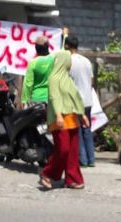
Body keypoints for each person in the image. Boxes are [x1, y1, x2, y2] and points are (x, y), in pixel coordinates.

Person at [39, 50, 90, 190]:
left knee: (73, 151)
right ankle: (47, 173)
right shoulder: (54, 78)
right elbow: (54, 97)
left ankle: (72, 179)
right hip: (59, 119)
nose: (71, 64)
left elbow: (76, 98)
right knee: (63, 149)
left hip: (72, 118)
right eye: (69, 61)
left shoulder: (67, 78)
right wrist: (59, 115)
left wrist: (82, 115)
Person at [64, 35, 95, 167]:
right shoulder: (87, 61)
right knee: (87, 129)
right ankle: (91, 159)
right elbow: (91, 81)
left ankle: (82, 160)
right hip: (88, 100)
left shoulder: (68, 61)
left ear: (66, 46)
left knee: (77, 131)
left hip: (75, 100)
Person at [22, 36, 54, 106]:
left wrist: (24, 100)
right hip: (52, 100)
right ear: (48, 46)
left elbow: (28, 84)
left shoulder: (33, 63)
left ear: (36, 48)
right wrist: (65, 37)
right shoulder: (54, 60)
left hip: (36, 100)